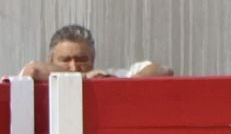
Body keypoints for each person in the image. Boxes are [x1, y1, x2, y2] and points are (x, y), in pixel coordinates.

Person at [17, 24, 170, 79]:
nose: (74, 67)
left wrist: (132, 82)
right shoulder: (39, 72)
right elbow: (33, 70)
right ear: (50, 60)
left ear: (93, 59)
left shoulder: (107, 77)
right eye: (65, 60)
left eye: (82, 59)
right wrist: (85, 78)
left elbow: (163, 70)